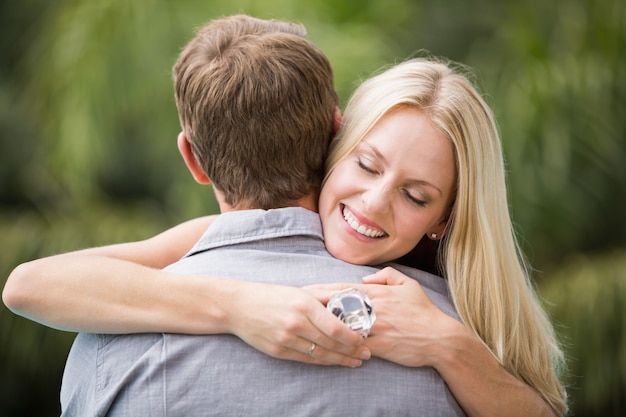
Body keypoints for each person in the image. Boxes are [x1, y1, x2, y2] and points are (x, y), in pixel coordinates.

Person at [2, 16, 568, 417]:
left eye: (417, 197)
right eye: (368, 164)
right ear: (335, 135)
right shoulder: (192, 253)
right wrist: (242, 306)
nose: (372, 204)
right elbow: (27, 285)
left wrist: (449, 346)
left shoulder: (110, 337)